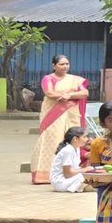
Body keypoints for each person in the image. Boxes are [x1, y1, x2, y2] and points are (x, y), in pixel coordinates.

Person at [30, 54, 89, 184]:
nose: (65, 66)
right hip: (53, 114)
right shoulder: (48, 78)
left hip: (71, 113)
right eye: (61, 64)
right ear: (54, 66)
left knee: (73, 139)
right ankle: (44, 174)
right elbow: (50, 93)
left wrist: (70, 95)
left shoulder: (75, 79)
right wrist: (67, 96)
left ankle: (71, 171)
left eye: (67, 64)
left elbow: (85, 93)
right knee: (51, 139)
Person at [50, 126, 88, 193]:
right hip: (60, 182)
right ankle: (76, 188)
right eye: (84, 137)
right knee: (83, 176)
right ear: (75, 139)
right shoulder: (68, 151)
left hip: (69, 179)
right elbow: (67, 174)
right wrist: (84, 170)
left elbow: (74, 168)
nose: (87, 139)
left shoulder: (77, 148)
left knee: (88, 175)